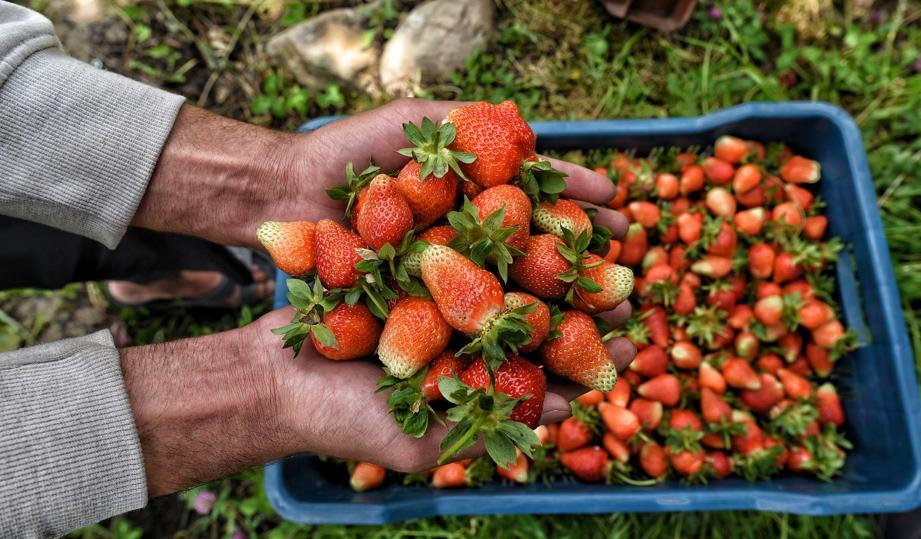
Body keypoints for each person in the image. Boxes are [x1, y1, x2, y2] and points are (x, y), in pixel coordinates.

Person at [0, 2, 636, 537]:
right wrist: (272, 397)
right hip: (444, 278)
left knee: (38, 240)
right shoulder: (445, 265)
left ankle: (160, 270)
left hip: (449, 273)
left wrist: (271, 184)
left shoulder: (461, 254)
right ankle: (170, 273)